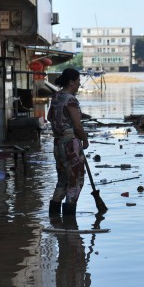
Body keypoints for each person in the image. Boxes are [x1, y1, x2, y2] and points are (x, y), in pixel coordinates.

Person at [47, 68, 89, 217]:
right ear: (71, 82)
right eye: (78, 81)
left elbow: (49, 118)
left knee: (63, 181)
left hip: (58, 144)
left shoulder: (56, 97)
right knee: (75, 181)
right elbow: (77, 125)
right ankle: (70, 223)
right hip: (70, 144)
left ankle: (54, 219)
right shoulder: (71, 99)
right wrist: (85, 139)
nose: (79, 84)